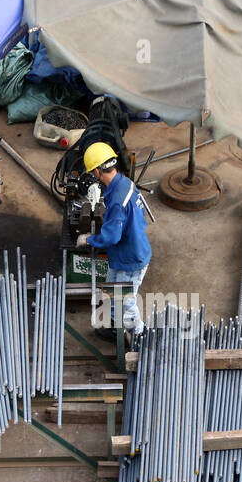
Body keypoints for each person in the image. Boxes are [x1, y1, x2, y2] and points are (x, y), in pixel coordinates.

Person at [76, 141, 151, 340]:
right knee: (111, 289)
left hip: (131, 257)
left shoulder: (117, 200)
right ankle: (111, 325)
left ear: (100, 170)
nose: (93, 176)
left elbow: (112, 236)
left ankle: (141, 335)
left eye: (93, 172)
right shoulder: (124, 183)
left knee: (126, 301)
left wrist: (90, 240)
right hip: (123, 252)